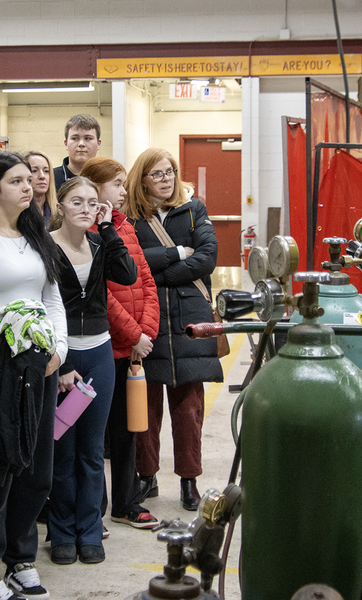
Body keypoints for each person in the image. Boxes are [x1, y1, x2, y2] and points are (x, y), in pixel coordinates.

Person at [0, 151, 67, 600]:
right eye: (18, 181)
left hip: (41, 364)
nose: (30, 186)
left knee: (36, 470)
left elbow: (53, 300)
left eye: (30, 180)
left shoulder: (36, 237)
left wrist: (56, 350)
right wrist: (22, 338)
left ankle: (21, 559)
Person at [125, 147, 222, 512]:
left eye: (170, 172)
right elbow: (131, 263)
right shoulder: (131, 219)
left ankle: (188, 479)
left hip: (189, 322)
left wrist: (159, 274)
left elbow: (207, 258)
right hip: (147, 321)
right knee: (145, 409)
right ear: (143, 179)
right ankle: (146, 475)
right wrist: (177, 256)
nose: (166, 180)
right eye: (157, 174)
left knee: (188, 410)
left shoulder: (194, 210)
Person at [47, 176, 136, 565]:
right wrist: (62, 364)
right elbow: (40, 307)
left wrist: (106, 226)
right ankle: (62, 531)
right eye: (78, 203)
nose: (86, 209)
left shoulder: (101, 242)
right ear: (61, 206)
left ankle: (89, 529)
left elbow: (128, 274)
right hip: (64, 359)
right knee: (63, 452)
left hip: (99, 354)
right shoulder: (46, 247)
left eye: (93, 203)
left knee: (92, 452)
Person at [79, 157, 160, 530]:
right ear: (95, 189)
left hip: (133, 347)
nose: (124, 191)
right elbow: (101, 297)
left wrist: (146, 333)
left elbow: (145, 280)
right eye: (117, 184)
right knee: (96, 435)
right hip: (104, 347)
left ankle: (126, 503)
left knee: (129, 430)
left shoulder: (125, 228)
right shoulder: (87, 232)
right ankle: (94, 507)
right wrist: (134, 335)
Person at [52, 114, 101, 190]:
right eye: (75, 138)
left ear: (98, 143)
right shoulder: (50, 178)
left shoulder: (108, 179)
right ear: (66, 143)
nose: (81, 144)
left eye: (87, 138)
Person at [24, 151, 56, 227]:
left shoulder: (58, 212)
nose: (42, 176)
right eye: (34, 171)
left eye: (46, 171)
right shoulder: (18, 212)